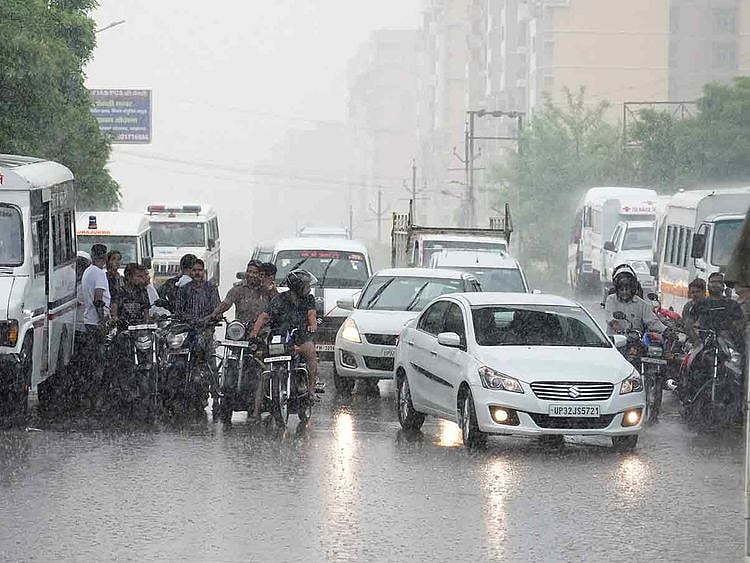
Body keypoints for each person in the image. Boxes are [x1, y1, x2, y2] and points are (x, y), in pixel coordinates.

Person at [248, 269, 319, 420]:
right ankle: (256, 409)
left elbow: (311, 315)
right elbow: (263, 317)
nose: (309, 288)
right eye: (306, 285)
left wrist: (312, 326)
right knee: (265, 371)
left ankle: (311, 391)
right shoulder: (279, 299)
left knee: (311, 352)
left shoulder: (309, 299)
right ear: (298, 286)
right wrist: (254, 334)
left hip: (300, 336)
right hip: (280, 337)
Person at [79, 244, 111, 409]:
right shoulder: (99, 274)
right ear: (105, 257)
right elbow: (99, 298)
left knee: (92, 361)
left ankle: (90, 396)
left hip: (88, 321)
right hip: (96, 323)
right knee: (100, 362)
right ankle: (95, 398)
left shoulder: (88, 272)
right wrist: (103, 320)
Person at [605, 264, 666, 336]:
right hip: (614, 342)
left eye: (627, 289)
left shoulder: (642, 305)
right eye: (621, 289)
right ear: (617, 289)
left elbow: (653, 322)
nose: (624, 292)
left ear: (633, 288)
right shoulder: (611, 300)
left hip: (635, 343)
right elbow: (611, 319)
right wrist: (619, 327)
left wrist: (666, 331)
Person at [211, 260, 277, 324]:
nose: (251, 275)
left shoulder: (267, 289)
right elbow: (226, 304)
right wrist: (214, 314)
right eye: (249, 271)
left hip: (263, 330)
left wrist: (270, 290)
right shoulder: (238, 289)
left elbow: (278, 304)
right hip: (242, 329)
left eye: (255, 273)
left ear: (261, 275)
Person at [693, 272, 745, 345]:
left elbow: (740, 325)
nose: (715, 284)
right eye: (712, 282)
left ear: (723, 286)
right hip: (702, 345)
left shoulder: (732, 305)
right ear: (708, 285)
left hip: (726, 345)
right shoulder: (700, 304)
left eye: (718, 282)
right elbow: (691, 323)